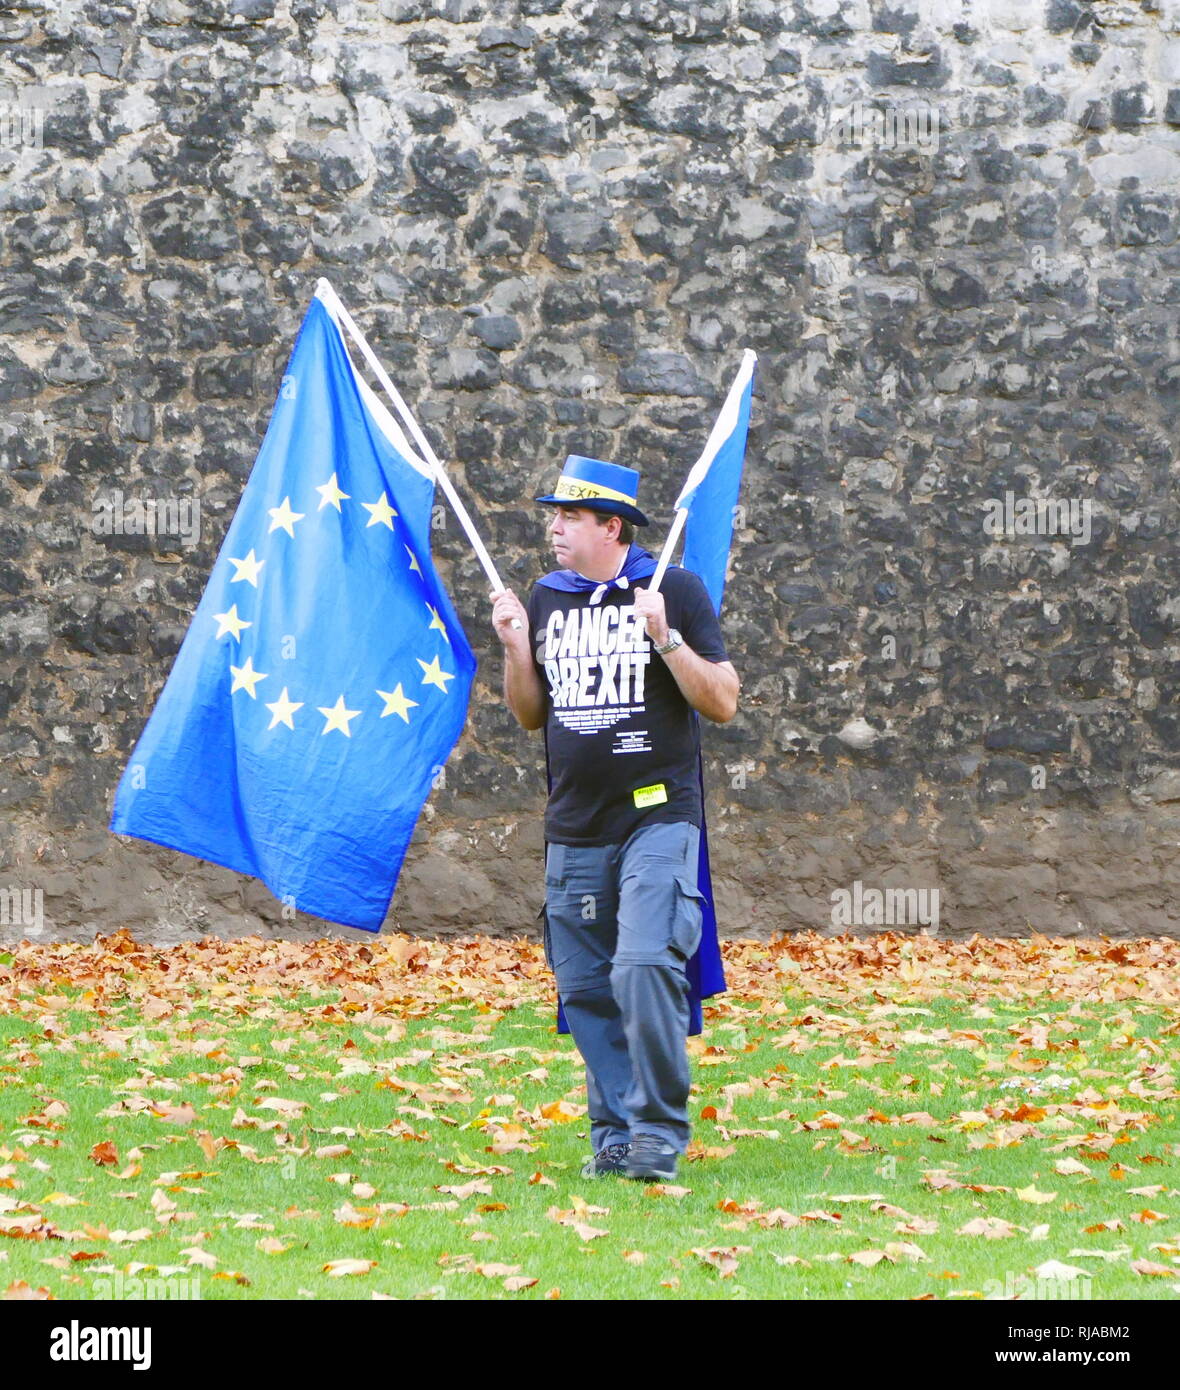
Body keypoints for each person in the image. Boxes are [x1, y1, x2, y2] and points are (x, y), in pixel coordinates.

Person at [490, 454, 739, 1183]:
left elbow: (722, 701)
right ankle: (615, 1135)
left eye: (569, 517)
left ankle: (657, 1131)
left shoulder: (675, 590)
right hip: (575, 824)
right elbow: (532, 714)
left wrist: (664, 637)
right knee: (586, 987)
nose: (555, 528)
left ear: (612, 525)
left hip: (658, 818)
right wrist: (514, 650)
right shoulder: (546, 596)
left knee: (641, 964)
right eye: (554, 515)